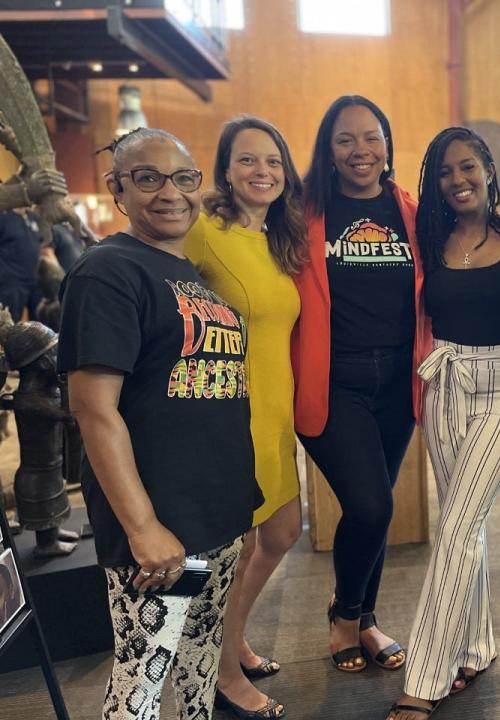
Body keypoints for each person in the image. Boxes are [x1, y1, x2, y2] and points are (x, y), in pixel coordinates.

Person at [58, 127, 262, 720]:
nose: (168, 193)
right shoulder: (107, 273)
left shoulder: (187, 273)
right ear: (118, 190)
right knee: (143, 683)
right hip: (159, 530)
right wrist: (143, 527)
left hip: (215, 516)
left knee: (198, 661)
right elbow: (93, 410)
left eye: (182, 178)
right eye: (147, 178)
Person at [386, 127, 500, 719]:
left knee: (455, 526)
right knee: (466, 520)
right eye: (444, 174)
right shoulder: (430, 239)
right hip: (445, 381)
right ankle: (476, 645)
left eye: (467, 167)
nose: (457, 181)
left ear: (488, 169)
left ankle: (425, 678)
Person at [293, 95, 431, 675]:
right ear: (328, 148)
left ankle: (366, 619)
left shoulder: (411, 211)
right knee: (371, 507)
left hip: (398, 381)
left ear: (388, 144)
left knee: (379, 500)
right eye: (346, 139)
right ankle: (345, 614)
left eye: (371, 137)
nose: (360, 151)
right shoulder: (302, 213)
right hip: (334, 380)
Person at [185, 115, 307, 719]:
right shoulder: (204, 231)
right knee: (237, 546)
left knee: (282, 532)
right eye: (248, 161)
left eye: (273, 162)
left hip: (276, 410)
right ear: (226, 170)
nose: (263, 172)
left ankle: (229, 639)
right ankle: (223, 673)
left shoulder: (279, 238)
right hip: (230, 414)